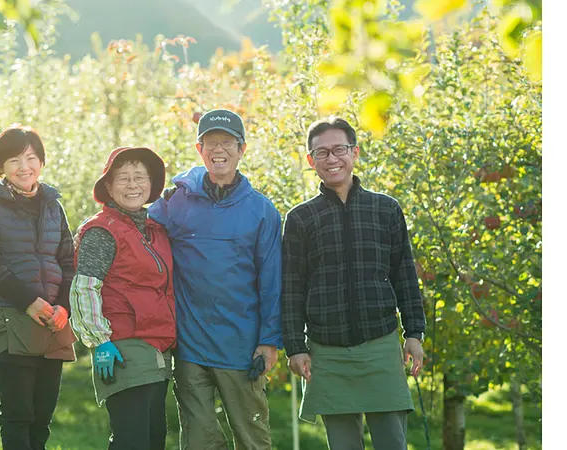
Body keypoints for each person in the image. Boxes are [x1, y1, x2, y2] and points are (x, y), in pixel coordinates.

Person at [281, 116, 426, 450]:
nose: (332, 159)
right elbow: (292, 287)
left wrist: (414, 333)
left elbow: (405, 276)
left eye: (339, 150)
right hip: (326, 352)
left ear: (354, 152)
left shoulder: (386, 209)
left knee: (392, 442)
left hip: (380, 345)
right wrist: (295, 346)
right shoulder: (301, 218)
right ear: (310, 160)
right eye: (322, 153)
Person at [148, 109, 282, 450]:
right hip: (190, 345)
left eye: (227, 143)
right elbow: (139, 230)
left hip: (241, 346)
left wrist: (269, 340)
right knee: (198, 440)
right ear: (199, 148)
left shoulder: (262, 211)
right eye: (210, 143)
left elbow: (271, 280)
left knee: (252, 439)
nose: (218, 150)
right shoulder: (177, 201)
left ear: (242, 150)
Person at [0, 125, 77, 450]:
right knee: (18, 415)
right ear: (1, 166)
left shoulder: (53, 206)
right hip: (7, 318)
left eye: (31, 158)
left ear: (41, 162)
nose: (24, 167)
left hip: (51, 321)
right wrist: (29, 302)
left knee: (41, 418)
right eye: (14, 159)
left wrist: (63, 306)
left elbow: (68, 261)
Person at [69, 146, 176, 450]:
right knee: (132, 442)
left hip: (156, 349)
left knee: (153, 440)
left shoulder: (154, 230)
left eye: (139, 177)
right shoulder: (102, 231)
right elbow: (84, 288)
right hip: (122, 348)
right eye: (123, 178)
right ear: (108, 187)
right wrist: (99, 341)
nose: (132, 185)